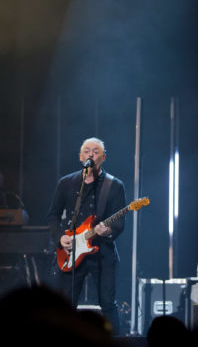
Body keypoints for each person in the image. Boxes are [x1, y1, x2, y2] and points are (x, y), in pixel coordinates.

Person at [47, 137, 126, 334]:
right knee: (66, 304)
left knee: (107, 302)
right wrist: (60, 237)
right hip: (71, 251)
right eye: (87, 151)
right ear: (80, 157)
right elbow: (53, 215)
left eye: (96, 152)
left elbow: (119, 223)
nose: (91, 154)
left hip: (102, 252)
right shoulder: (66, 183)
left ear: (103, 157)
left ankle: (115, 340)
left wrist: (108, 231)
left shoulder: (114, 185)